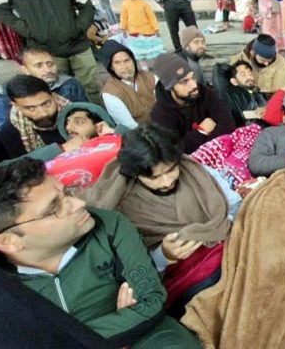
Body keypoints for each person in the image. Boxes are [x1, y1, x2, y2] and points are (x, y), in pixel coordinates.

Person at [0, 158, 203, 348]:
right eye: (55, 207)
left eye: (67, 192)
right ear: (7, 242)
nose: (79, 203)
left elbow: (151, 301)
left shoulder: (108, 225)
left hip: (143, 335)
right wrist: (118, 322)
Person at [82, 123, 237, 317]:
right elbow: (129, 271)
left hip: (230, 248)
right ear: (135, 173)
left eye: (171, 170)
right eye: (154, 177)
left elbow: (234, 206)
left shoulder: (195, 171)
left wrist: (223, 228)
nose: (166, 182)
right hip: (185, 279)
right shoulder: (119, 207)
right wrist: (164, 256)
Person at [0, 0, 100, 105]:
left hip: (78, 46)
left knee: (92, 89)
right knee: (54, 96)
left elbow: (86, 4)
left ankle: (98, 120)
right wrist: (29, 30)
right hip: (44, 50)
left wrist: (78, 27)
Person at [151, 53, 236, 154]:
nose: (193, 85)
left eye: (193, 77)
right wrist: (201, 131)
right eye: (184, 81)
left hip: (220, 151)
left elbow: (229, 125)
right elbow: (174, 151)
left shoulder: (205, 93)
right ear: (170, 87)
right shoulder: (161, 113)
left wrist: (199, 144)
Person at [0, 76, 73, 164]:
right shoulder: (11, 131)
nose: (43, 113)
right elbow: (23, 167)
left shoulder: (74, 112)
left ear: (53, 96)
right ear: (16, 105)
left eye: (46, 104)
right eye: (31, 108)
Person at [99, 41, 156, 129]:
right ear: (111, 67)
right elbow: (129, 125)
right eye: (117, 63)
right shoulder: (110, 93)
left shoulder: (149, 77)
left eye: (127, 60)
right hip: (140, 135)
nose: (125, 66)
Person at [119, 0, 164, 70]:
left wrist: (156, 29)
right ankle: (144, 67)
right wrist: (123, 28)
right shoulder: (125, 4)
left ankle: (157, 66)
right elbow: (123, 17)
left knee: (152, 50)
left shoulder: (143, 3)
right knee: (138, 52)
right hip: (134, 33)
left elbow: (151, 16)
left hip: (147, 31)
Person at [21, 48, 89, 103]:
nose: (48, 70)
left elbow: (86, 113)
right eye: (38, 66)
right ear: (25, 70)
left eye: (50, 64)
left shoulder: (70, 85)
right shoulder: (18, 90)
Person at [223, 60, 269, 126]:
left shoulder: (258, 92)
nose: (249, 77)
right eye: (243, 75)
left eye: (250, 74)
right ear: (234, 81)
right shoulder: (234, 95)